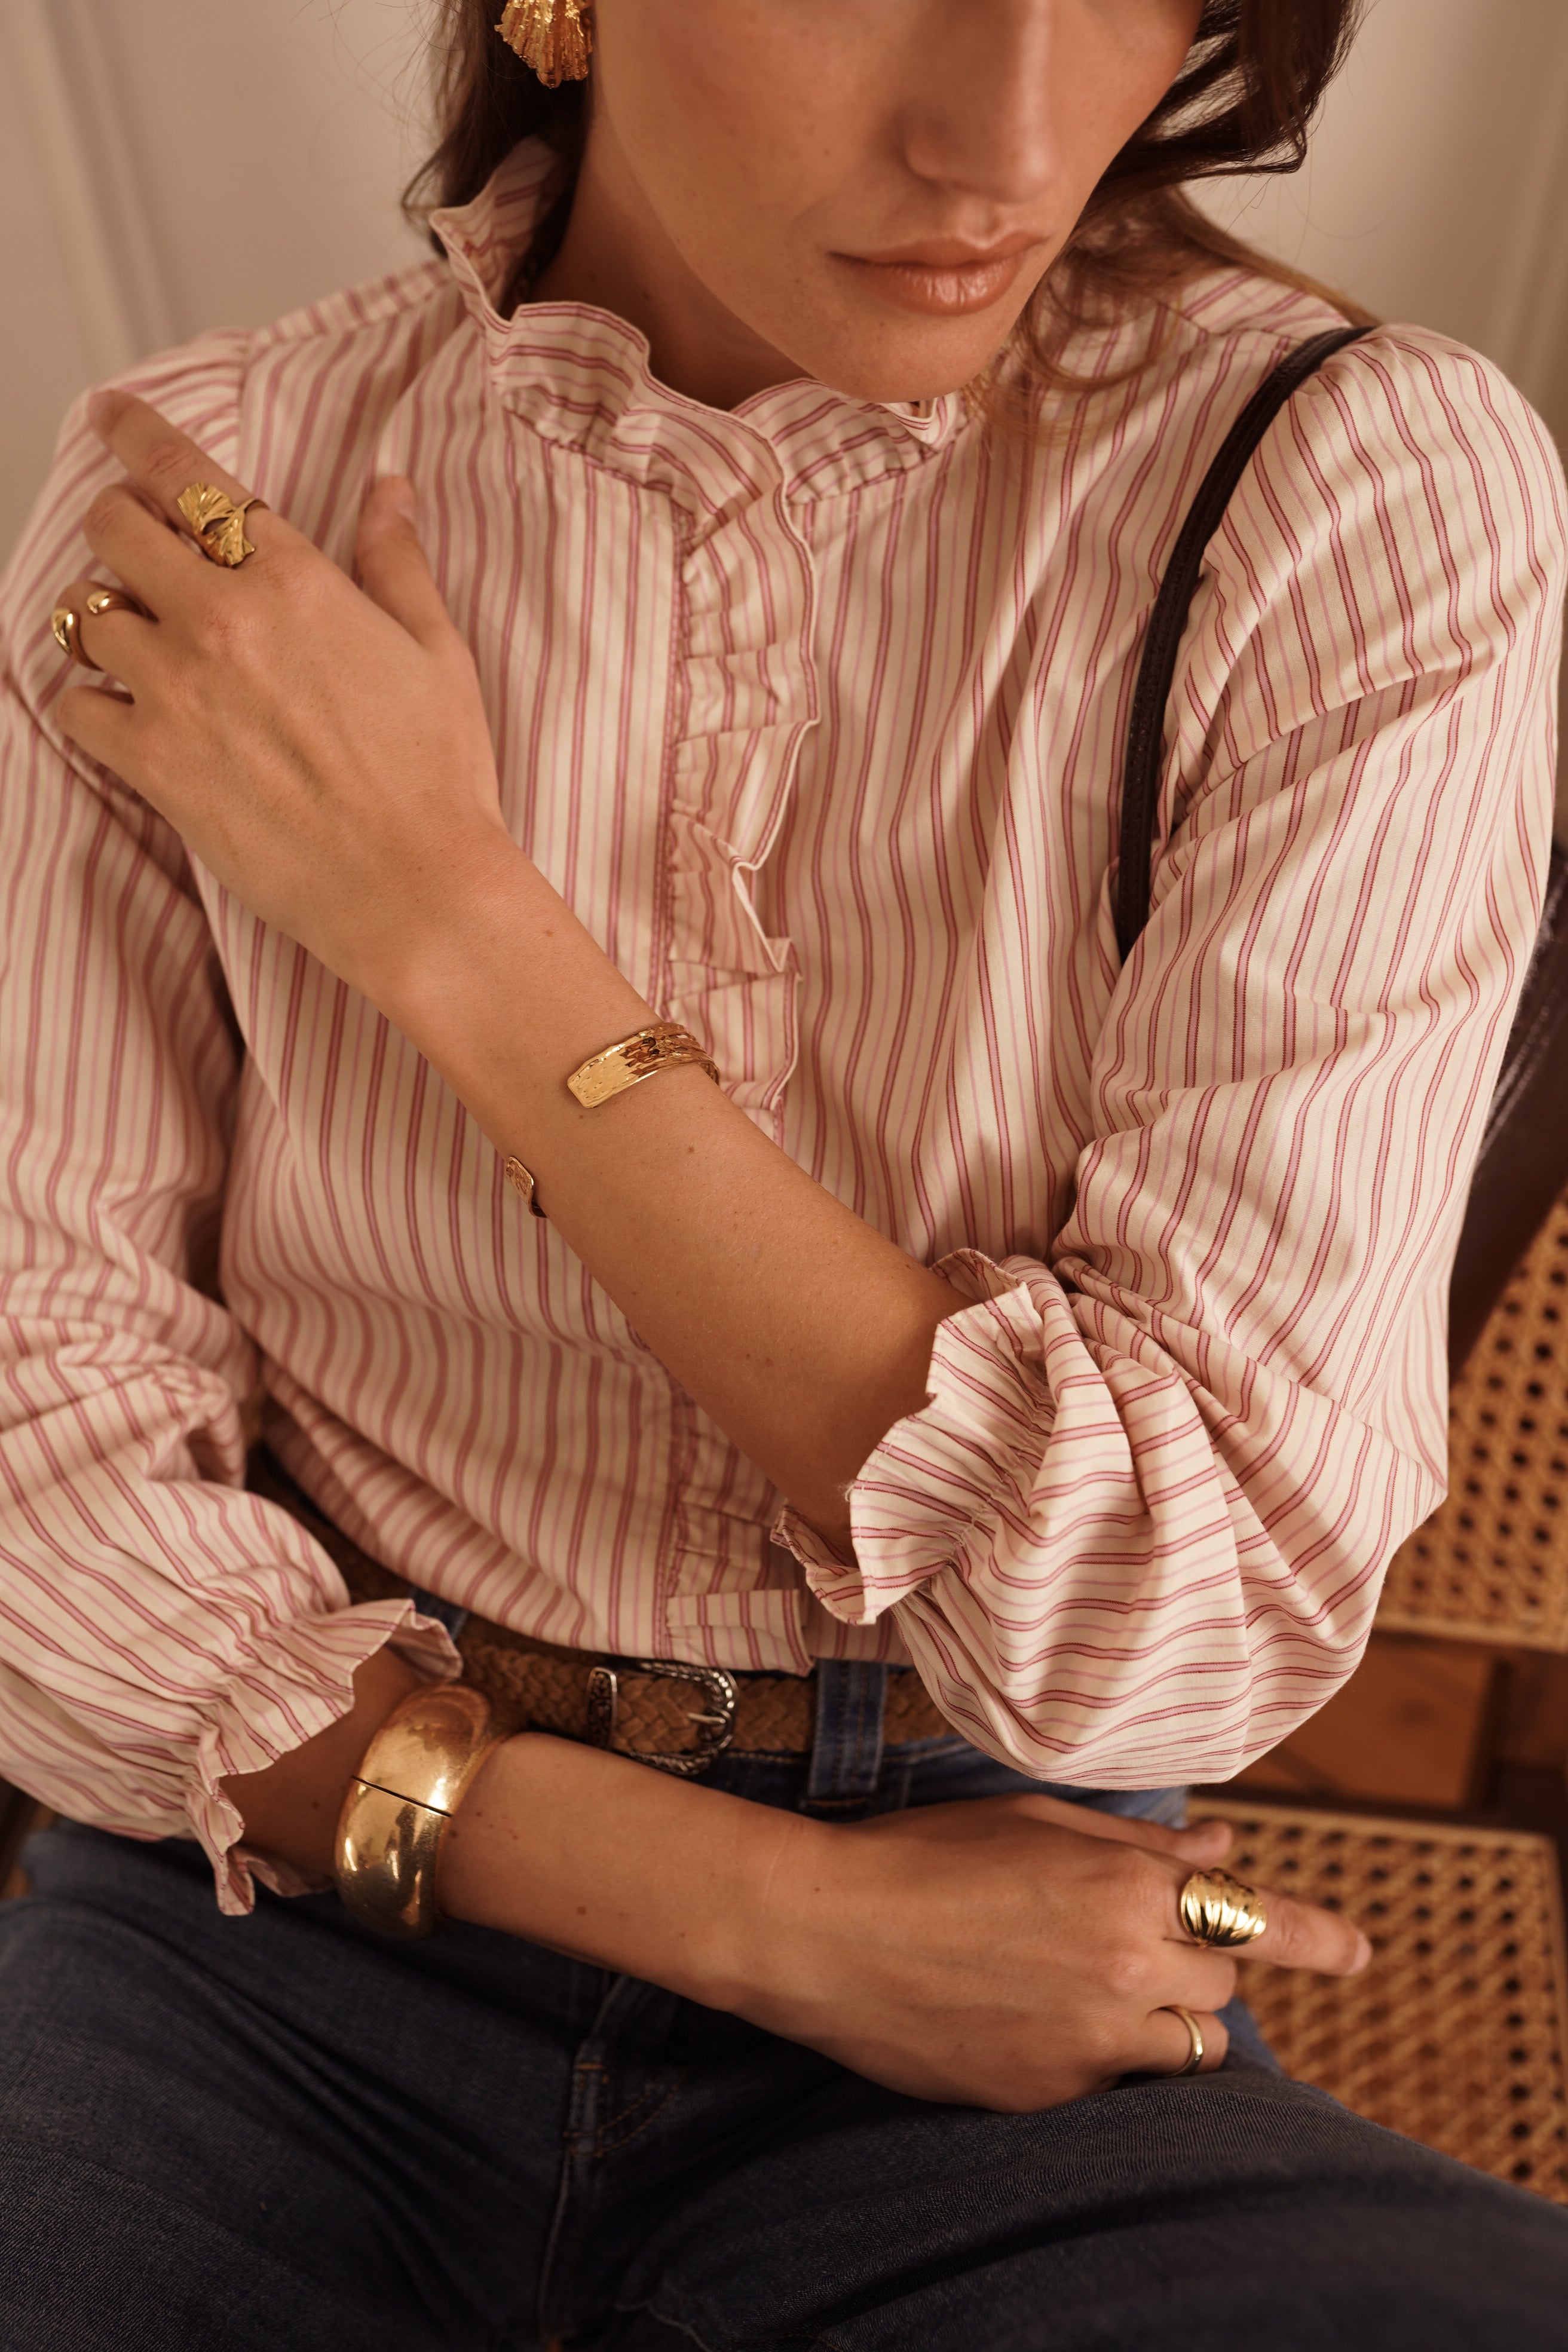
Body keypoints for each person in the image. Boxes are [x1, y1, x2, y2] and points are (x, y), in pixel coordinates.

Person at [2, 0, 1566, 2342]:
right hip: (272, 1898)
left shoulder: (1350, 493)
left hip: (1003, 1942)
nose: (1003, 144)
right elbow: (38, 1448)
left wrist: (460, 928)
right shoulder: (216, 501)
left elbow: (1168, 1625)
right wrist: (771, 1923)